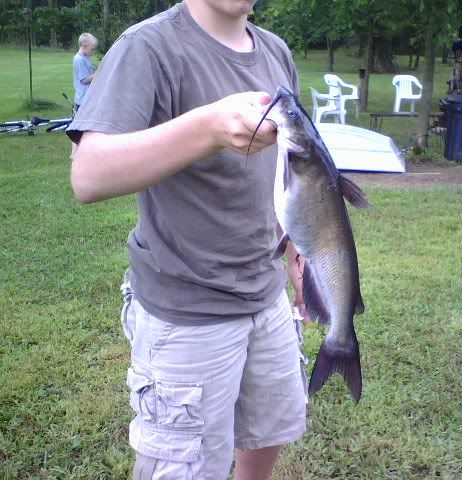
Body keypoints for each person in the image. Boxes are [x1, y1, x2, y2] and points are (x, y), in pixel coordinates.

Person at [66, 0, 308, 478]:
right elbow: (88, 175)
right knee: (188, 466)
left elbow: (291, 168)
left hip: (266, 291)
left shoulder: (276, 51)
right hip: (188, 309)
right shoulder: (150, 46)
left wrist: (298, 247)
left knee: (270, 429)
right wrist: (207, 128)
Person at [71, 32, 97, 159]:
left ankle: (79, 152)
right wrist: (98, 75)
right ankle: (74, 153)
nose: (93, 51)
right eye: (92, 49)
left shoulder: (85, 58)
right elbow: (83, 80)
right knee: (79, 126)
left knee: (82, 124)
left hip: (87, 98)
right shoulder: (79, 59)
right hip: (83, 99)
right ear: (85, 46)